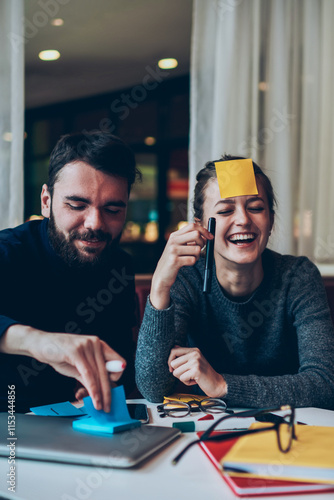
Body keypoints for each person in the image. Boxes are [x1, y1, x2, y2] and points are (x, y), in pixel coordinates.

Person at [135, 155, 334, 409]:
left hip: (288, 432)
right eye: (225, 210)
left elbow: (325, 384)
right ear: (200, 226)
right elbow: (153, 388)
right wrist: (160, 286)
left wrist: (222, 385)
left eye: (256, 207)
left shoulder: (298, 277)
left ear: (271, 221)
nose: (242, 220)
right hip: (209, 430)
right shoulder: (186, 279)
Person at [0, 131, 141, 413]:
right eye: (77, 205)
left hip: (80, 426)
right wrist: (37, 341)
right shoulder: (9, 252)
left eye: (113, 209)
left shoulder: (119, 266)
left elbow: (120, 359)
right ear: (46, 201)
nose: (95, 223)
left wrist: (99, 384)